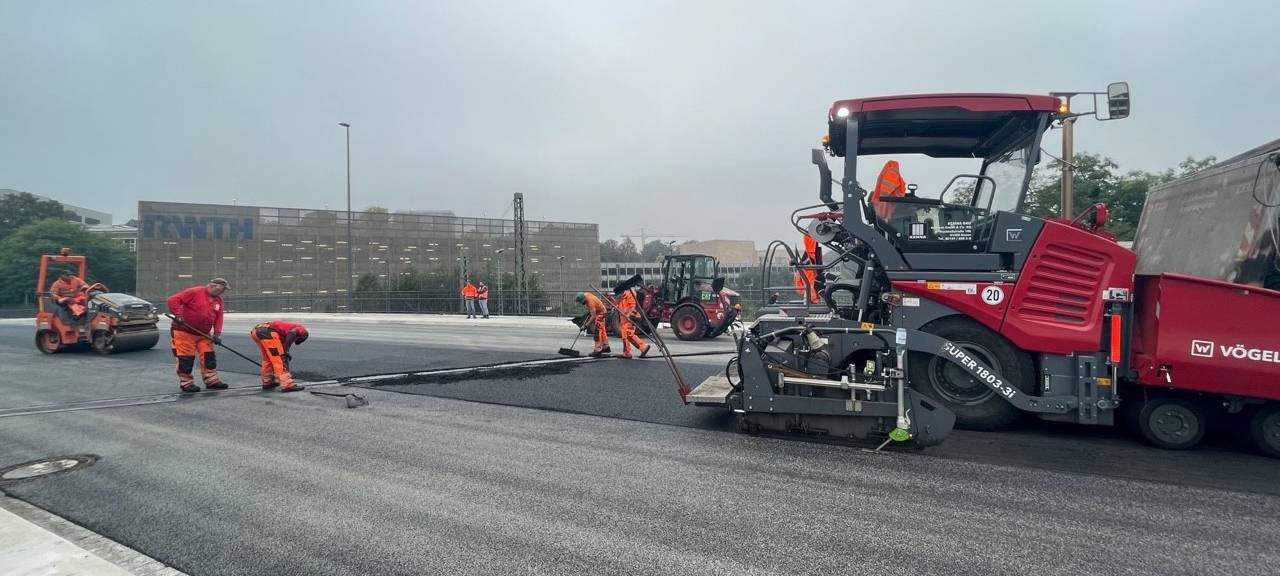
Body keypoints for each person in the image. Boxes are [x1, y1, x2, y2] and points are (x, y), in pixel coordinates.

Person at [167, 278, 229, 393]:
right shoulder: (195, 292)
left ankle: (211, 381)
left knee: (208, 357)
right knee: (186, 358)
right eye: (219, 289)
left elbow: (219, 318)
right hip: (184, 331)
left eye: (222, 291)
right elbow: (172, 300)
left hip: (204, 334)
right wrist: (178, 315)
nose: (220, 292)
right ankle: (186, 383)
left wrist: (217, 334)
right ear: (212, 285)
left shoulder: (218, 300)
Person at [250, 320, 308, 392]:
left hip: (256, 331)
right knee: (280, 358)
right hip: (267, 332)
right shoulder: (302, 330)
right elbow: (292, 333)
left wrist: (286, 350)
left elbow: (286, 341)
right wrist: (285, 352)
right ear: (303, 337)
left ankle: (268, 382)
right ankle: (287, 385)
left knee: (267, 359)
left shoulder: (283, 332)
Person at [614, 286, 651, 359]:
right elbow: (621, 307)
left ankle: (643, 347)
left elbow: (632, 306)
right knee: (625, 335)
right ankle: (626, 352)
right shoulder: (622, 298)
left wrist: (628, 315)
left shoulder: (629, 294)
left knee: (628, 334)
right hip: (624, 319)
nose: (617, 296)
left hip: (631, 318)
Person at [574, 292, 611, 356]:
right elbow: (592, 309)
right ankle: (606, 346)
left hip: (601, 313)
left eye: (581, 302)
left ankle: (598, 350)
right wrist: (590, 311)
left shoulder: (590, 302)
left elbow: (593, 316)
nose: (582, 303)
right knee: (602, 331)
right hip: (600, 311)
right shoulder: (586, 295)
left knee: (598, 331)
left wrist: (585, 326)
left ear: (584, 299)